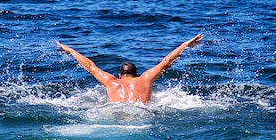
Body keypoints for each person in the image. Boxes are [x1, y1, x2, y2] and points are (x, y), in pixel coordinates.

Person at [56, 33, 203, 104]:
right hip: (141, 114)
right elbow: (166, 62)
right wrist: (184, 45)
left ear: (120, 75)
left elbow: (90, 67)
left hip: (114, 113)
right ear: (136, 74)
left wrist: (72, 51)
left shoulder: (111, 81)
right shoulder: (145, 79)